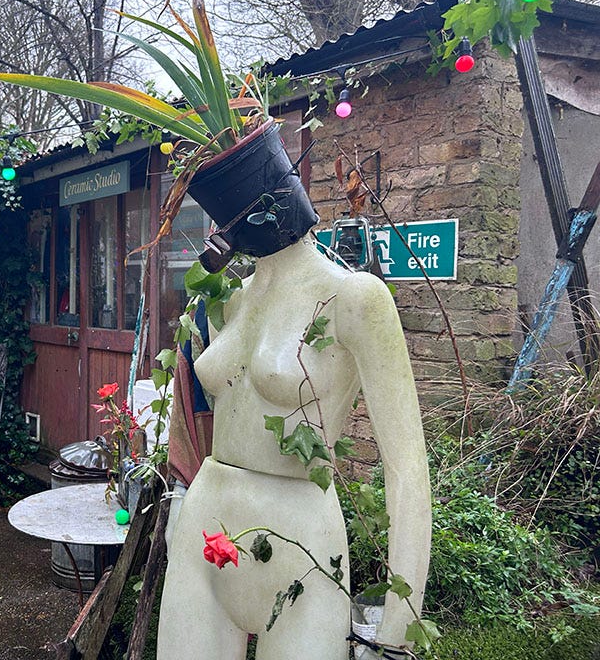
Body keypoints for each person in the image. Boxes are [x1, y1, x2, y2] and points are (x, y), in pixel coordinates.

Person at [157, 234, 431, 660]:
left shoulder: (352, 298)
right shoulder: (229, 298)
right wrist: (178, 501)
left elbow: (407, 468)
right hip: (205, 533)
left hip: (302, 548)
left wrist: (397, 635)